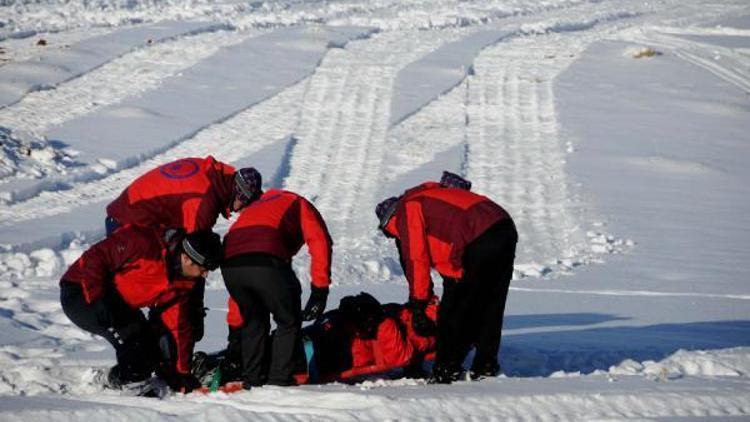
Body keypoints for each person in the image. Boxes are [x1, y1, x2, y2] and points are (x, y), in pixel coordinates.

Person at [375, 171, 517, 383]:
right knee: (492, 302)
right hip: (503, 225)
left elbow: (416, 258)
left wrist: (418, 303)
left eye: (389, 233)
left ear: (389, 220)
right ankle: (485, 364)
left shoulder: (408, 208)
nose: (394, 237)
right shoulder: (432, 194)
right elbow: (451, 230)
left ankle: (447, 368)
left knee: (455, 308)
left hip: (477, 238)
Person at [59, 227, 224, 393]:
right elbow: (95, 258)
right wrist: (97, 298)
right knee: (135, 348)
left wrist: (181, 372)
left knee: (151, 352)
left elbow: (178, 325)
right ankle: (131, 388)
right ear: (188, 259)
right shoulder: (143, 243)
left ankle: (111, 379)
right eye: (204, 269)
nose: (205, 275)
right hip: (81, 293)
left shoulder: (183, 282)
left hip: (120, 306)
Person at [222, 188, 333, 388]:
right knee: (288, 320)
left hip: (231, 266)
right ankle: (279, 381)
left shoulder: (254, 210)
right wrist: (319, 291)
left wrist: (235, 329)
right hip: (266, 260)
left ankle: (252, 380)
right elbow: (320, 241)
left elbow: (245, 267)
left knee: (253, 322)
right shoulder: (298, 203)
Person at [105, 156, 263, 235]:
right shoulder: (205, 201)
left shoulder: (209, 173)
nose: (242, 211)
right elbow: (194, 248)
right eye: (246, 205)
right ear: (239, 196)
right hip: (128, 225)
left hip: (126, 208)